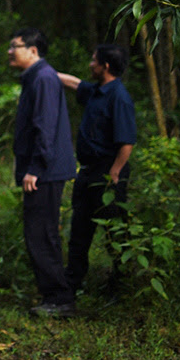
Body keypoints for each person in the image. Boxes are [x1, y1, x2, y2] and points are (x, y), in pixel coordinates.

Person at [56, 44, 137, 296]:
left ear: (106, 66)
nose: (90, 64)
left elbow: (127, 142)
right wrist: (45, 71)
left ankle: (121, 283)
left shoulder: (119, 97)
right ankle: (73, 281)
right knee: (80, 228)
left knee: (113, 230)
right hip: (87, 172)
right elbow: (74, 83)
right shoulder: (96, 91)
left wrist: (114, 173)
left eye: (94, 61)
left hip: (108, 173)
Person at [8, 28, 77, 316]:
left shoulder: (44, 78)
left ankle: (60, 299)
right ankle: (55, 295)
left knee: (42, 232)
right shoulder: (38, 77)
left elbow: (45, 127)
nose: (10, 51)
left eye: (15, 46)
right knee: (38, 231)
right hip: (43, 170)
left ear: (33, 50)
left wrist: (35, 168)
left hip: (45, 173)